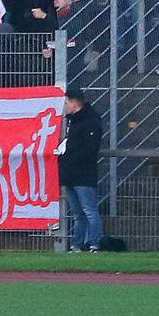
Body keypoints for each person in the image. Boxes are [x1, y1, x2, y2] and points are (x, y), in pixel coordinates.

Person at [60, 92, 106, 251]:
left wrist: (69, 159)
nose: (65, 107)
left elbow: (89, 149)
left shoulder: (90, 122)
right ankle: (77, 245)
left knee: (89, 211)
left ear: (74, 103)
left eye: (66, 103)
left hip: (83, 174)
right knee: (78, 214)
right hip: (71, 174)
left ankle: (95, 244)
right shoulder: (74, 121)